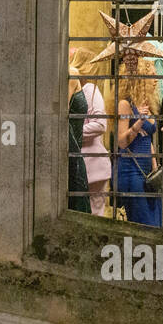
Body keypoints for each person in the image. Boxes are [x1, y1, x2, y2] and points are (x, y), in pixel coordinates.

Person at [115, 56, 161, 226]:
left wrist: (155, 169)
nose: (156, 80)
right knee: (143, 224)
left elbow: (147, 139)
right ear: (140, 79)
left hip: (147, 173)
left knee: (156, 222)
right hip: (131, 171)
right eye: (152, 76)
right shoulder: (125, 105)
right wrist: (139, 121)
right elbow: (121, 142)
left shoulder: (149, 105)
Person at [70, 47, 111, 216]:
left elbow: (100, 125)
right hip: (87, 161)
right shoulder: (83, 88)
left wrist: (74, 132)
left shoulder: (90, 89)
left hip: (93, 162)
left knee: (94, 213)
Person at [65, 50, 91, 213]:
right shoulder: (70, 73)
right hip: (70, 147)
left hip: (74, 145)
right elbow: (62, 112)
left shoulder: (70, 74)